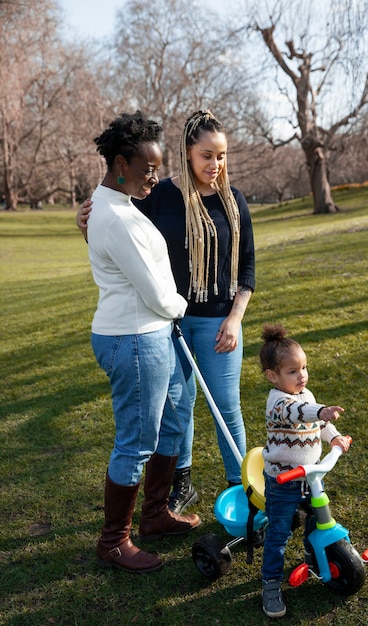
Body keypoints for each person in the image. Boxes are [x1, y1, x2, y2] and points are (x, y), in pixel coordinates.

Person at [77, 110, 256, 514]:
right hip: (168, 322)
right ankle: (182, 484)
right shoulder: (159, 194)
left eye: (222, 156)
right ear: (187, 153)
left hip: (219, 323)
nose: (215, 165)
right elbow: (118, 235)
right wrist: (83, 224)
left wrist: (234, 318)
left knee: (225, 407)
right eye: (207, 155)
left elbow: (247, 268)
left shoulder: (235, 201)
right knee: (179, 405)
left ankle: (245, 489)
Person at [86, 111, 200, 576]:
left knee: (174, 419)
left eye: (157, 167)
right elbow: (156, 293)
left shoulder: (119, 204)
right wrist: (180, 306)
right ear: (119, 163)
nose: (154, 177)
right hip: (133, 339)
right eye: (146, 168)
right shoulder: (115, 216)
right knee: (136, 442)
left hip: (153, 335)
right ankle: (114, 541)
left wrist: (169, 311)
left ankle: (154, 514)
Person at [259, 323, 351, 618]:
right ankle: (271, 583)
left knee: (316, 520)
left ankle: (316, 557)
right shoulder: (278, 402)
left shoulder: (306, 394)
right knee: (279, 534)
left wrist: (333, 434)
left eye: (304, 368)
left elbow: (319, 424)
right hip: (283, 480)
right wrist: (320, 411)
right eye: (293, 371)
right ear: (273, 376)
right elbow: (299, 414)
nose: (302, 376)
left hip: (310, 477)